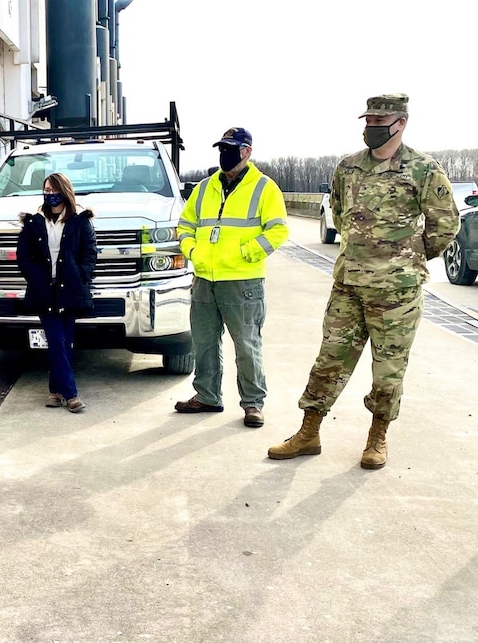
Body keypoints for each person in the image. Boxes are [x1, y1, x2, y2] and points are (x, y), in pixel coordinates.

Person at [268, 94, 460, 469]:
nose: (371, 126)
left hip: (397, 293)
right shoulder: (349, 167)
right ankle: (309, 432)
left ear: (400, 123)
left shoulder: (424, 169)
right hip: (349, 284)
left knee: (388, 369)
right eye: (368, 119)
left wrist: (407, 259)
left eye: (379, 120)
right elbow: (340, 216)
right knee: (329, 360)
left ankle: (377, 437)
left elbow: (446, 225)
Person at [175, 127, 289, 427]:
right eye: (221, 148)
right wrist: (193, 251)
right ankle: (207, 396)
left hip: (243, 282)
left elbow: (278, 230)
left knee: (246, 345)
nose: (225, 154)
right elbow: (185, 225)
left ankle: (253, 403)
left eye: (231, 148)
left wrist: (246, 253)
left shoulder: (265, 188)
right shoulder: (203, 188)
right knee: (204, 343)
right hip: (204, 279)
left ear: (246, 152)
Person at [16, 173, 97, 413]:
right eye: (46, 189)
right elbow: (23, 255)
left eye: (53, 189)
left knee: (65, 341)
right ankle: (71, 395)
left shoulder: (80, 221)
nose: (50, 193)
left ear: (64, 191)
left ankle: (55, 391)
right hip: (44, 292)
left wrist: (80, 276)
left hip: (70, 291)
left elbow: (89, 252)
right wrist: (35, 278)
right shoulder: (34, 222)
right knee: (56, 339)